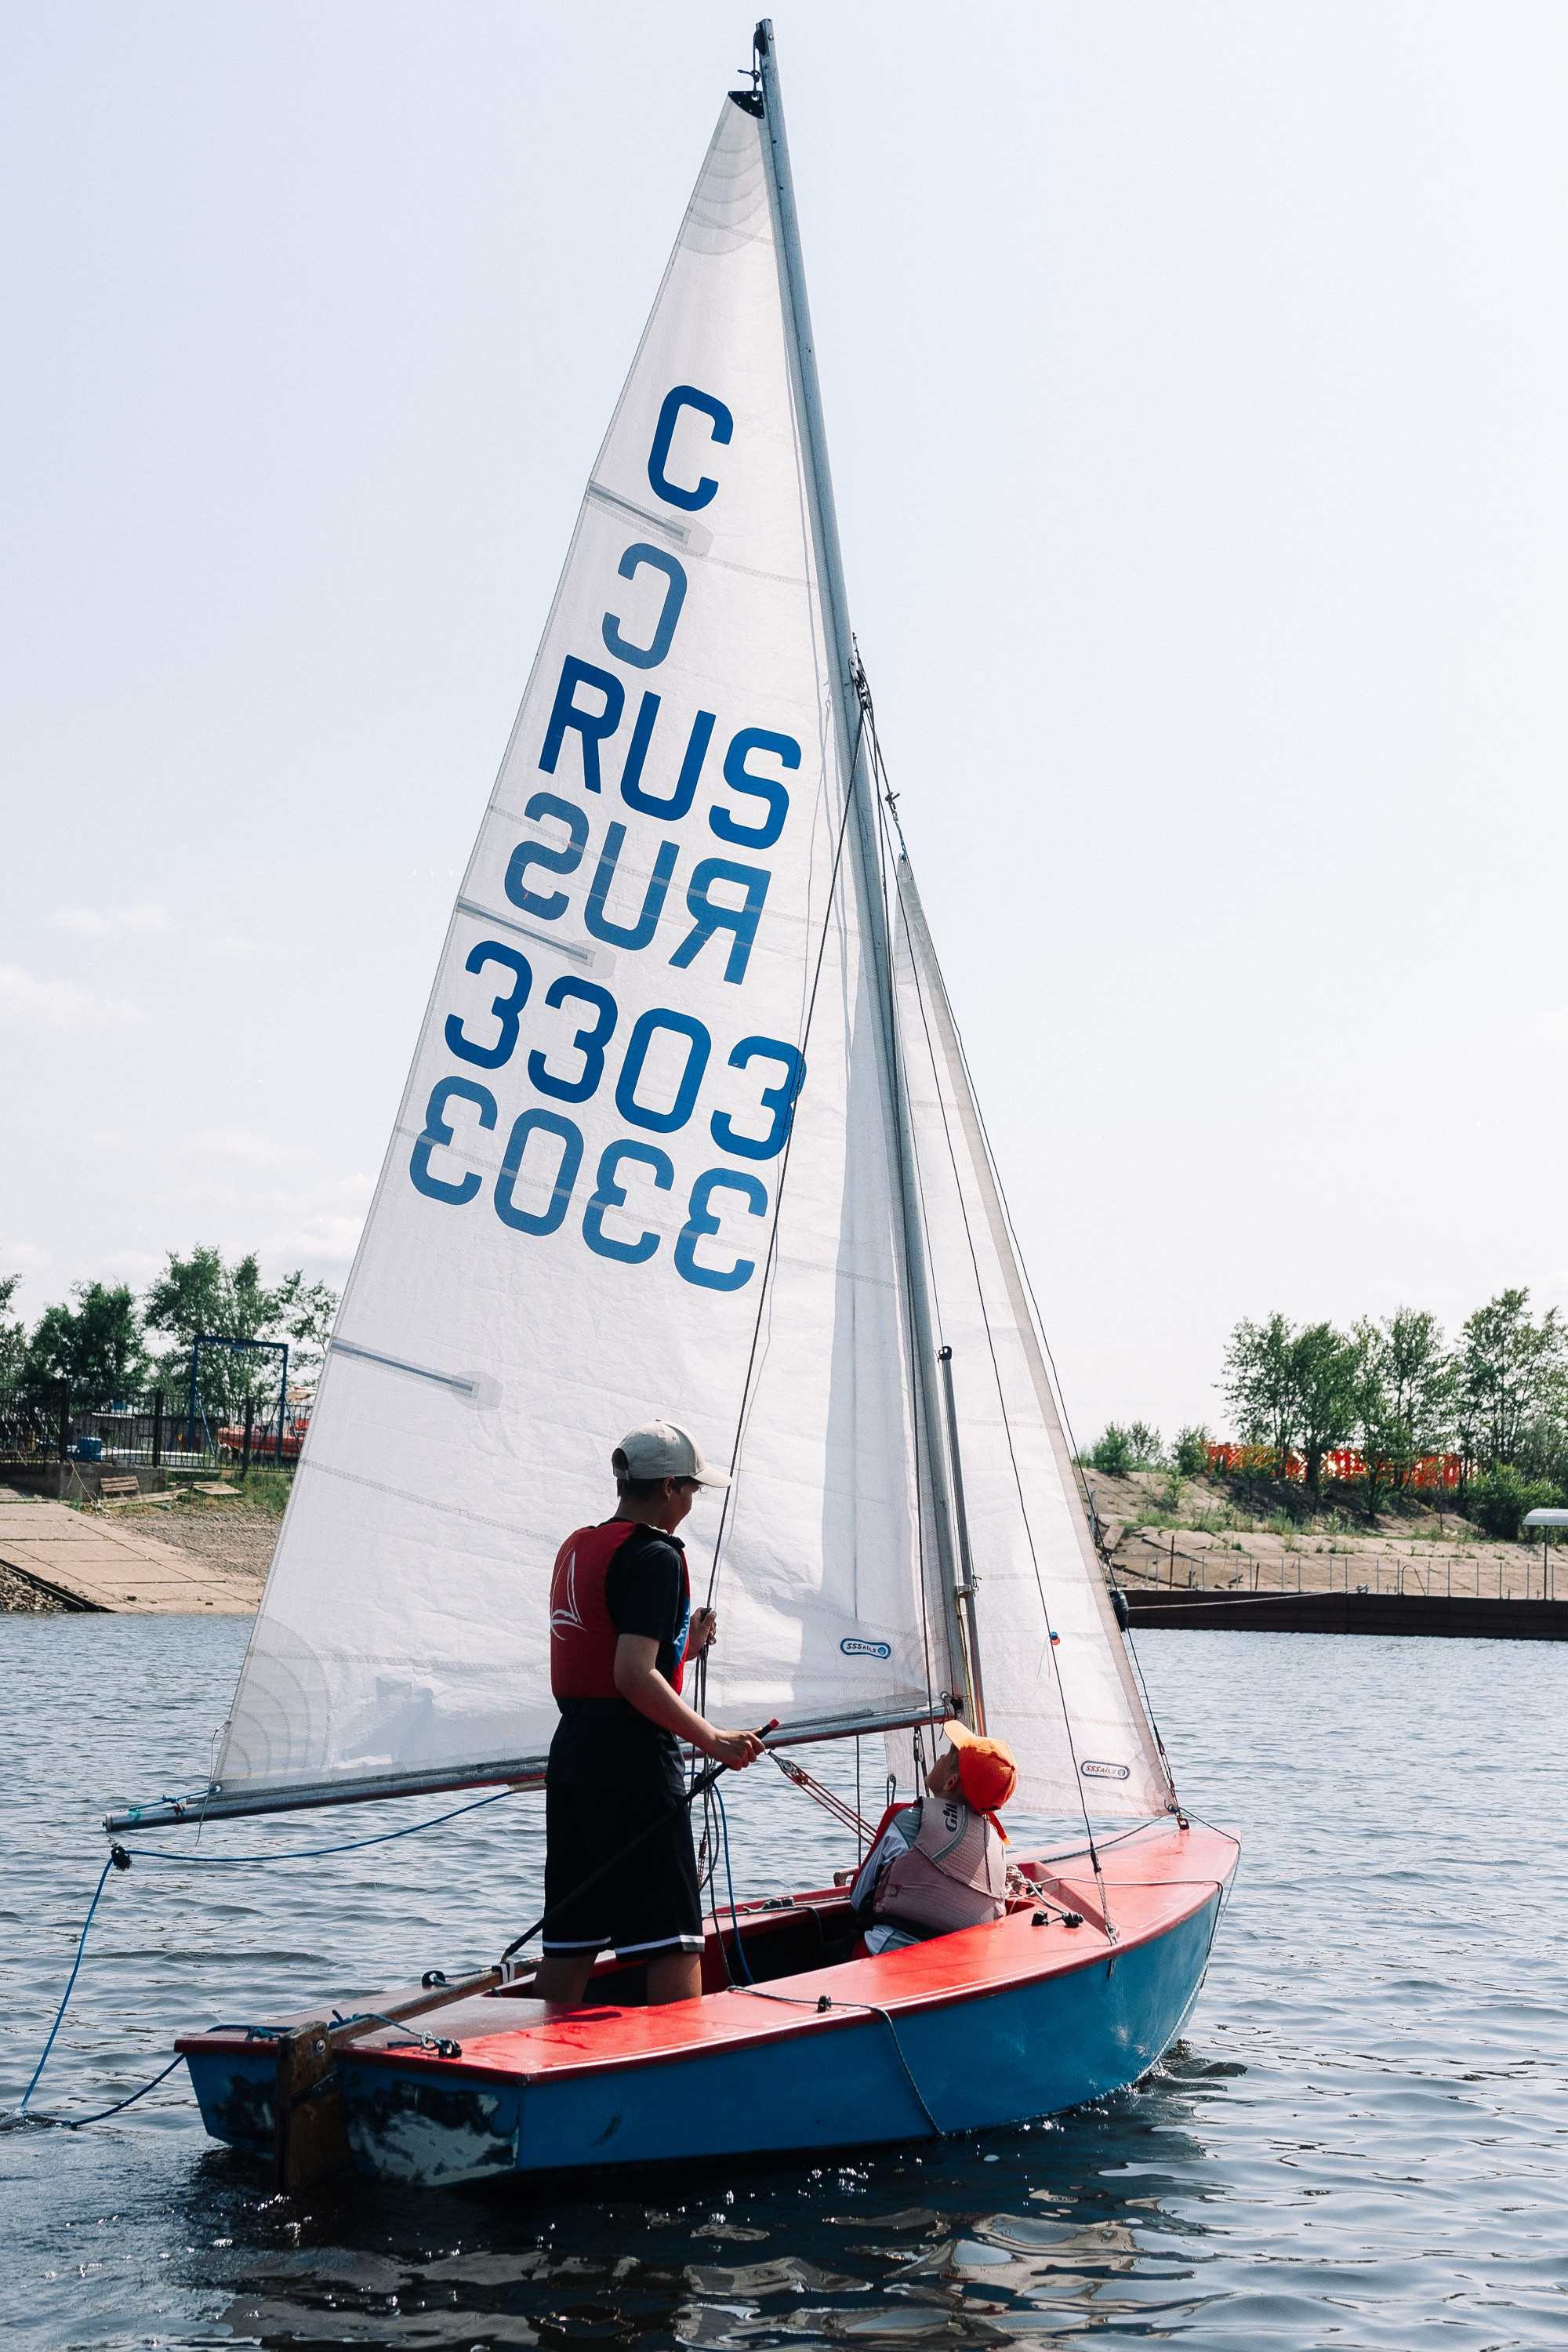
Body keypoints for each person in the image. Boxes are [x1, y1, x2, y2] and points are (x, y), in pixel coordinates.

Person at [531, 1419, 764, 2007]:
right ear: (667, 1489)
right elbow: (633, 1677)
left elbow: (612, 1656)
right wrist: (714, 1740)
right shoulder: (658, 1556)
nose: (692, 1501)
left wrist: (683, 1647)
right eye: (692, 1490)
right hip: (634, 1765)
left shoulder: (578, 1545)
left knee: (571, 1938)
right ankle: (677, 2071)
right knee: (673, 1941)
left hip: (574, 1759)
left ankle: (538, 2053)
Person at [850, 1719, 1017, 1955]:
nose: (939, 1757)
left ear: (951, 1782)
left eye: (949, 1754)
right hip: (961, 1970)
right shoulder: (997, 1845)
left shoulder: (906, 1819)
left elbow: (858, 1899)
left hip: (888, 1963)